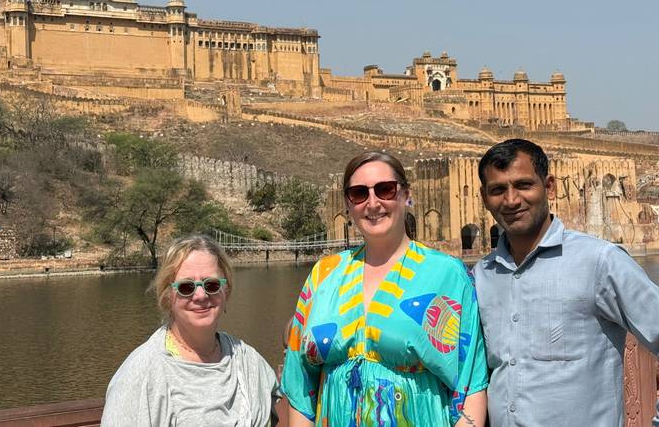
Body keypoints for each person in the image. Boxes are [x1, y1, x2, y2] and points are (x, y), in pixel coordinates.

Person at [281, 151, 488, 426]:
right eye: (359, 193)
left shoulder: (446, 274)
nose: (373, 203)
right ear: (347, 204)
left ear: (406, 195)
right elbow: (299, 382)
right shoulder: (324, 274)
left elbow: (471, 382)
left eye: (385, 190)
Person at [473, 138, 659, 427]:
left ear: (549, 187)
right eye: (498, 190)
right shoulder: (482, 276)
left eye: (523, 185)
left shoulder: (600, 261)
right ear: (484, 198)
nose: (511, 200)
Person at [101, 235, 279, 427]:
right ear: (168, 296)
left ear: (225, 292)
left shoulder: (248, 361)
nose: (201, 295)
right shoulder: (140, 375)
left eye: (211, 285)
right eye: (186, 287)